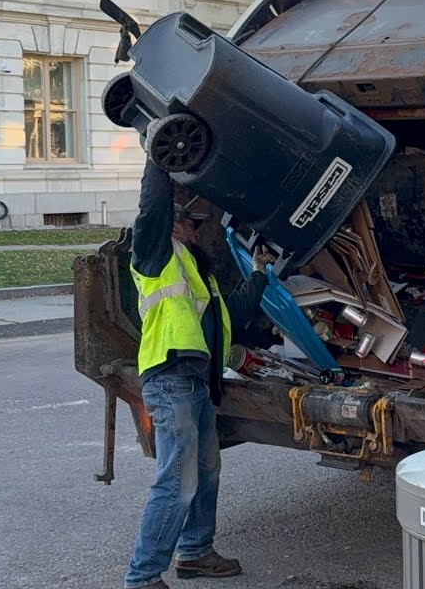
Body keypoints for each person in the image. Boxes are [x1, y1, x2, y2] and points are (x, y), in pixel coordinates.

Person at [124, 159, 274, 589]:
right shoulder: (156, 253)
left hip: (197, 387)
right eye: (192, 223)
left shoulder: (197, 276)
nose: (199, 231)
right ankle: (142, 576)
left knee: (206, 472)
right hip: (172, 380)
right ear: (175, 225)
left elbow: (236, 311)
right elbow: (152, 207)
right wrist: (157, 157)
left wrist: (262, 274)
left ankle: (194, 553)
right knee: (177, 482)